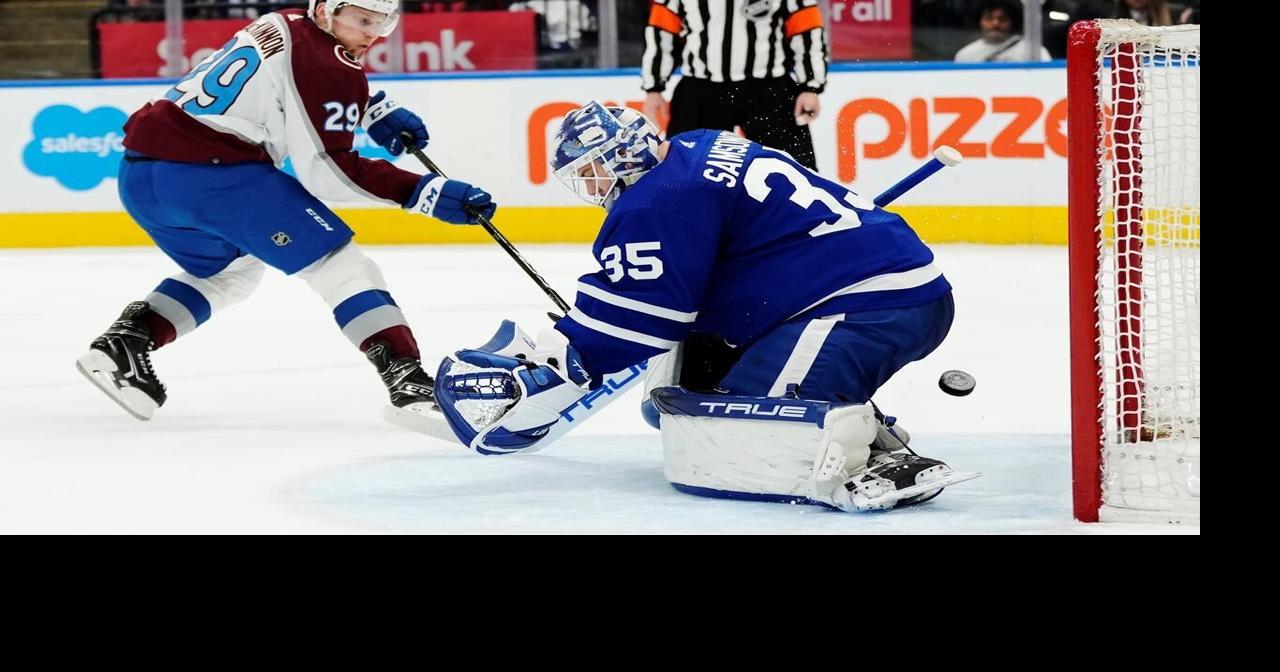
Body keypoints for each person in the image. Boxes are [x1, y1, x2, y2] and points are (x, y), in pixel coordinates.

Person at [433, 102, 976, 512]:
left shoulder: (657, 200)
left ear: (624, 155)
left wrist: (571, 358)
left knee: (748, 430)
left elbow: (643, 317)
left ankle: (868, 454)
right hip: (882, 289)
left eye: (592, 171)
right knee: (691, 395)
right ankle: (854, 423)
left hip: (865, 307)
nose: (591, 186)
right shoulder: (698, 145)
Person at [77, 0, 497, 421]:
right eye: (362, 20)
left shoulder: (283, 18)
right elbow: (329, 172)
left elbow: (294, 77)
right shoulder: (332, 68)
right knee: (341, 265)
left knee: (231, 273)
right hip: (210, 176)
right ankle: (406, 376)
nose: (372, 32)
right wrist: (422, 192)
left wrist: (370, 107)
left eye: (382, 21)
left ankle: (127, 342)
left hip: (140, 174)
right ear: (326, 12)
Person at [641, 0, 827, 171]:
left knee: (795, 169)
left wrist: (810, 87)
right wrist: (654, 88)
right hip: (701, 90)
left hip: (769, 89)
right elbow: (662, 32)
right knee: (684, 169)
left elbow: (806, 29)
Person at [954, 0, 1052, 63]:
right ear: (979, 21)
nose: (995, 24)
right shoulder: (965, 55)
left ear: (1012, 21)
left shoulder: (1033, 51)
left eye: (1002, 19)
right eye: (989, 18)